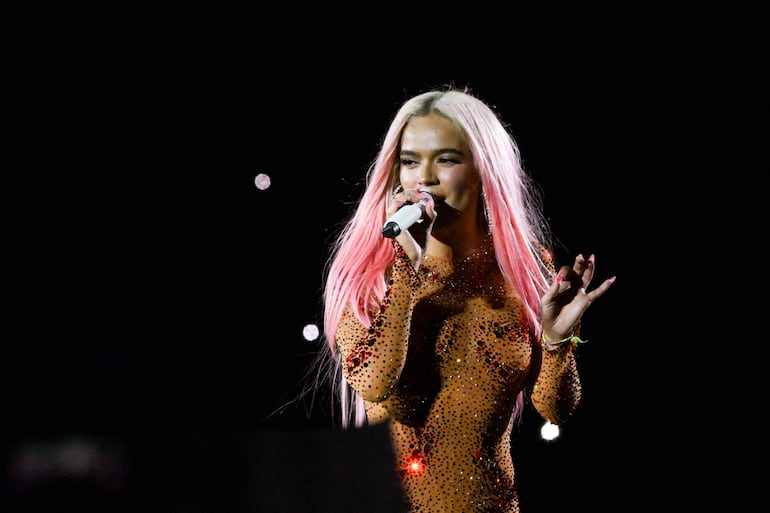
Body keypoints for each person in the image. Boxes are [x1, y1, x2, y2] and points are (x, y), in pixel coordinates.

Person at [314, 87, 616, 513]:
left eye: (447, 159)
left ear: (482, 169)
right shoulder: (369, 275)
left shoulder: (523, 269)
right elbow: (374, 381)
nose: (424, 178)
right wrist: (407, 269)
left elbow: (556, 409)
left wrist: (557, 342)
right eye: (410, 161)